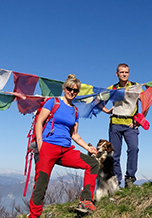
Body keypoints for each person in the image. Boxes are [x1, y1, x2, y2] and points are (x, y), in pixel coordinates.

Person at [28, 74, 100, 217]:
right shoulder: (52, 102)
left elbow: (74, 135)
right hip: (47, 147)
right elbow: (39, 122)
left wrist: (88, 148)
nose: (72, 92)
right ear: (64, 88)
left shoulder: (75, 111)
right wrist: (41, 143)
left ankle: (85, 201)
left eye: (75, 91)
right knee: (41, 183)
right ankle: (34, 215)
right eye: (69, 89)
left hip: (66, 150)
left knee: (92, 164)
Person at [102, 63, 141, 188]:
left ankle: (130, 179)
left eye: (126, 72)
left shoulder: (136, 87)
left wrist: (139, 119)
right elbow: (97, 100)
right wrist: (106, 110)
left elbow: (146, 100)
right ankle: (117, 181)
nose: (124, 74)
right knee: (114, 154)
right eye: (122, 72)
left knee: (133, 148)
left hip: (131, 124)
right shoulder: (112, 88)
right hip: (115, 124)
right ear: (117, 74)